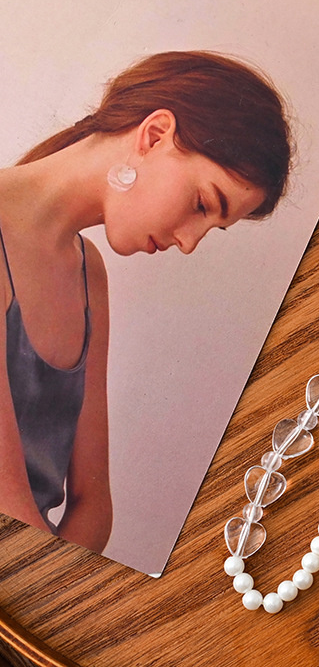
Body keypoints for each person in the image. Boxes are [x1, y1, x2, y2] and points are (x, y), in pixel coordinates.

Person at [0, 51, 292, 552]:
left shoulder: (88, 274)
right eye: (202, 204)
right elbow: (10, 506)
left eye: (213, 228)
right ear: (155, 135)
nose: (190, 243)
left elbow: (93, 503)